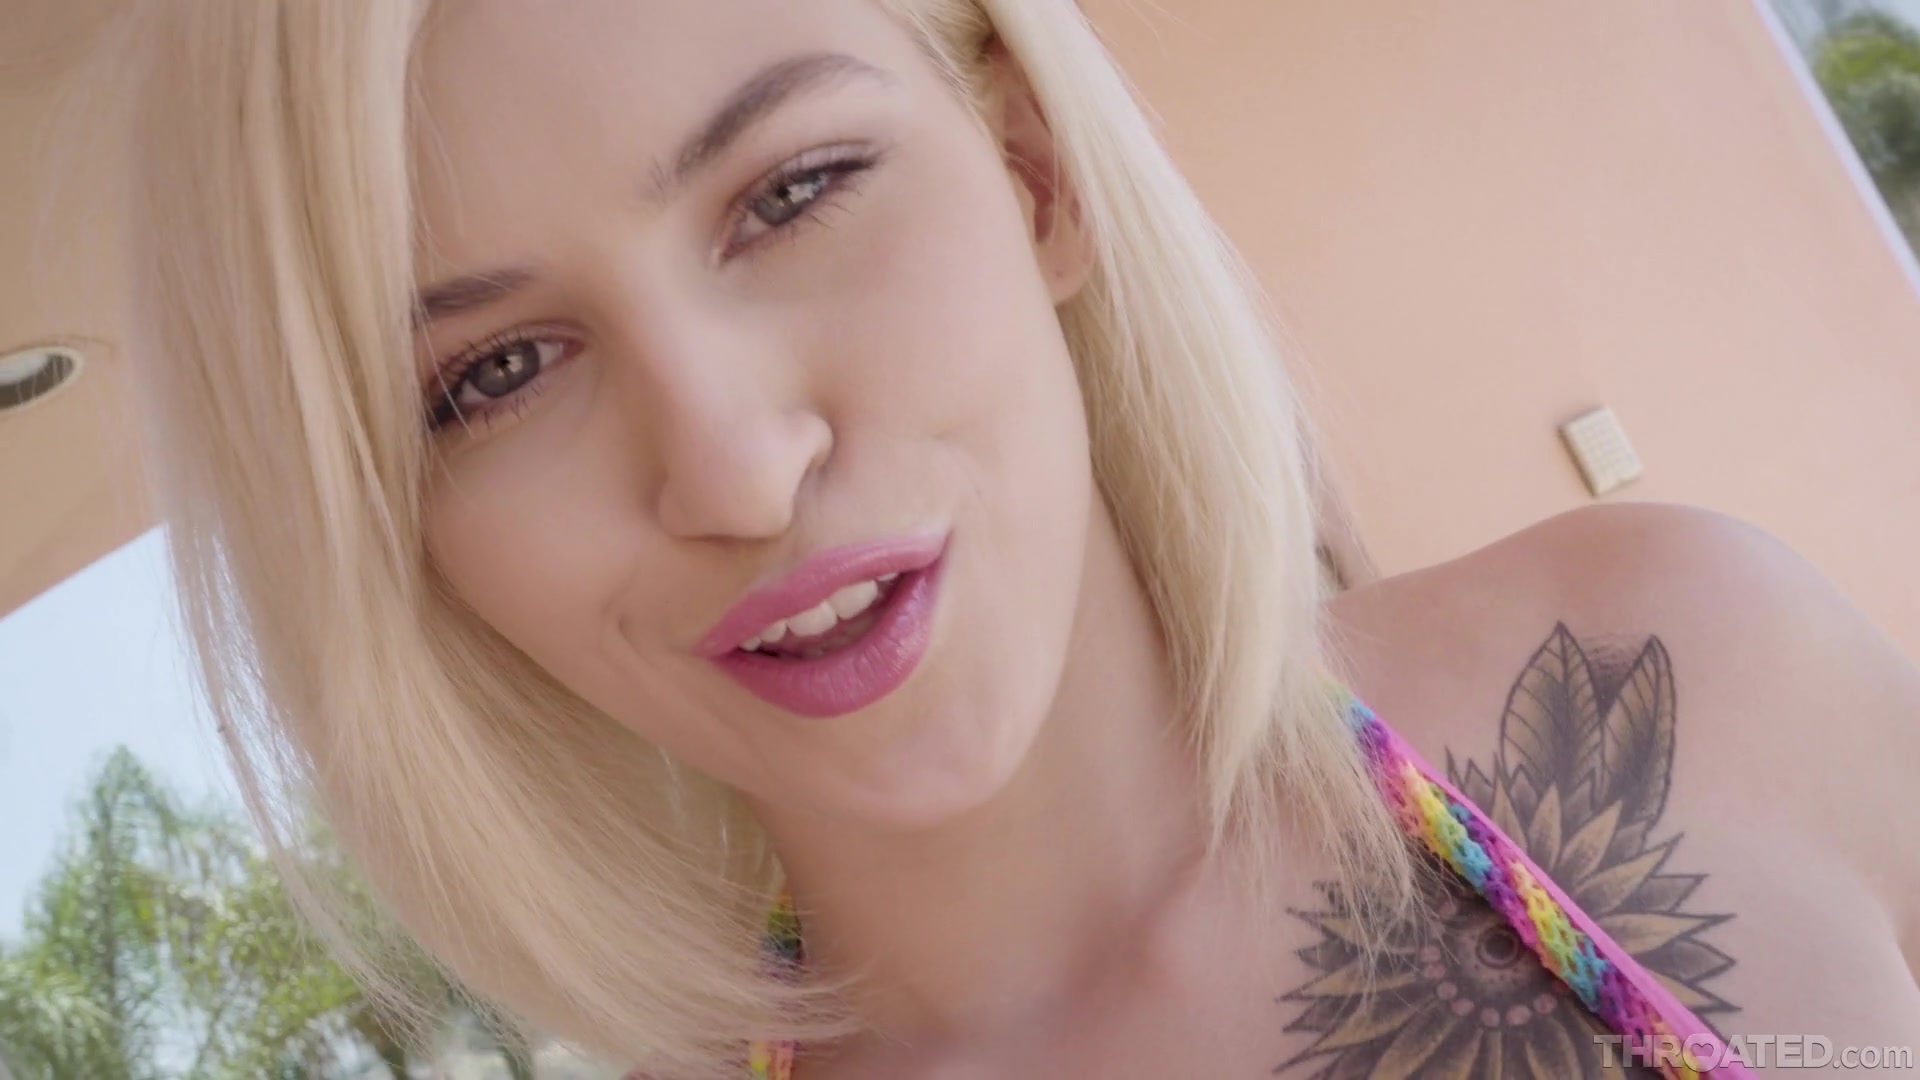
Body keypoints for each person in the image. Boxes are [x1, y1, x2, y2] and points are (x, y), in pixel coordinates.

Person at [110, 1, 1918, 1077]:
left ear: (1033, 167)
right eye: (494, 375)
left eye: (794, 190)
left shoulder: (1696, 663)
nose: (735, 468)